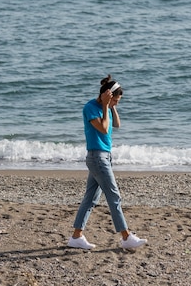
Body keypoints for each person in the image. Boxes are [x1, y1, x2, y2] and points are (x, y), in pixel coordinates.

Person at [67, 75, 148, 250]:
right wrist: (105, 106)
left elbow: (116, 124)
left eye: (118, 101)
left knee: (90, 199)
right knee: (114, 196)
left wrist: (111, 107)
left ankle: (76, 236)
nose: (117, 104)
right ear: (107, 95)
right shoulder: (91, 108)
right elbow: (103, 130)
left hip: (105, 157)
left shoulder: (108, 109)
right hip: (97, 157)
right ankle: (126, 237)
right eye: (116, 100)